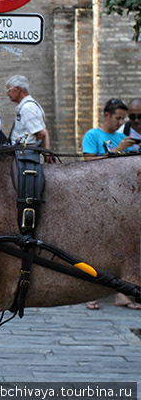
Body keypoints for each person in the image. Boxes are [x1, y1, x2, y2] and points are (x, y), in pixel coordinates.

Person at [82, 98, 138, 310]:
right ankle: (89, 293)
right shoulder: (93, 135)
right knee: (94, 246)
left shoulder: (122, 137)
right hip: (96, 197)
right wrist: (116, 152)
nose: (121, 122)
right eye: (118, 118)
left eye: (123, 118)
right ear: (106, 115)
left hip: (118, 200)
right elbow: (87, 164)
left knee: (120, 246)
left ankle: (121, 294)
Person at [6, 75, 50, 149]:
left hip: (24, 154)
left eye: (9, 90)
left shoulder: (27, 108)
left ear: (18, 89)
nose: (8, 94)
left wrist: (44, 153)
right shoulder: (29, 106)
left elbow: (41, 134)